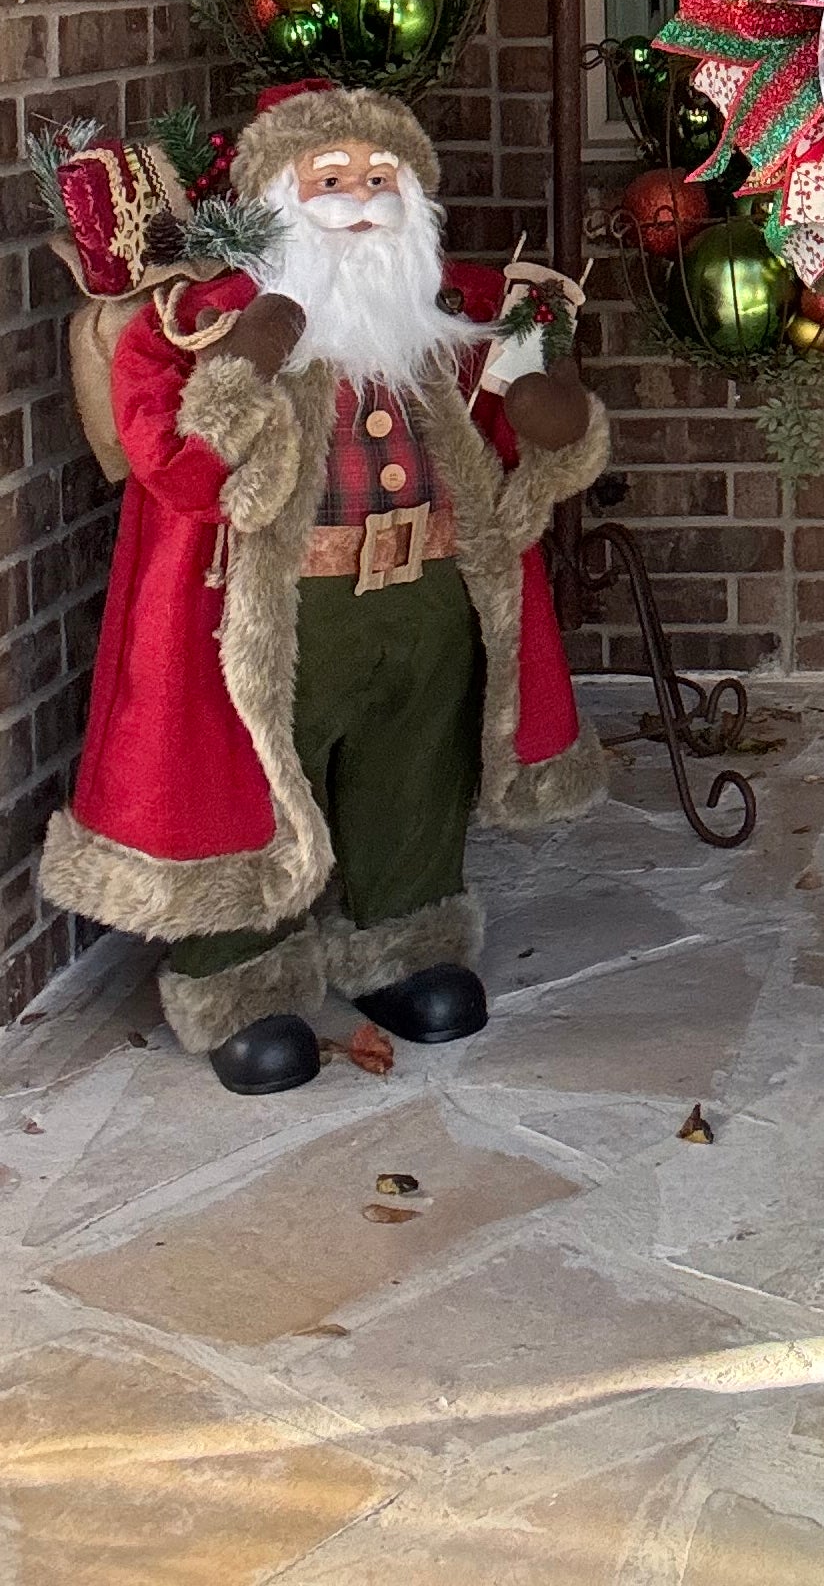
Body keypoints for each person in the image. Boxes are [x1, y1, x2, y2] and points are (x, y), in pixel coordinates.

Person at [40, 83, 608, 1095]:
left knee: (414, 768)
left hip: (425, 596)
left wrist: (549, 411)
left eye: (380, 179)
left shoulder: (446, 321)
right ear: (274, 201)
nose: (359, 199)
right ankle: (243, 979)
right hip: (279, 617)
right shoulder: (199, 325)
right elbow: (176, 460)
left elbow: (519, 443)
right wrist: (249, 359)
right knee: (254, 785)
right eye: (331, 179)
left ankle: (403, 935)